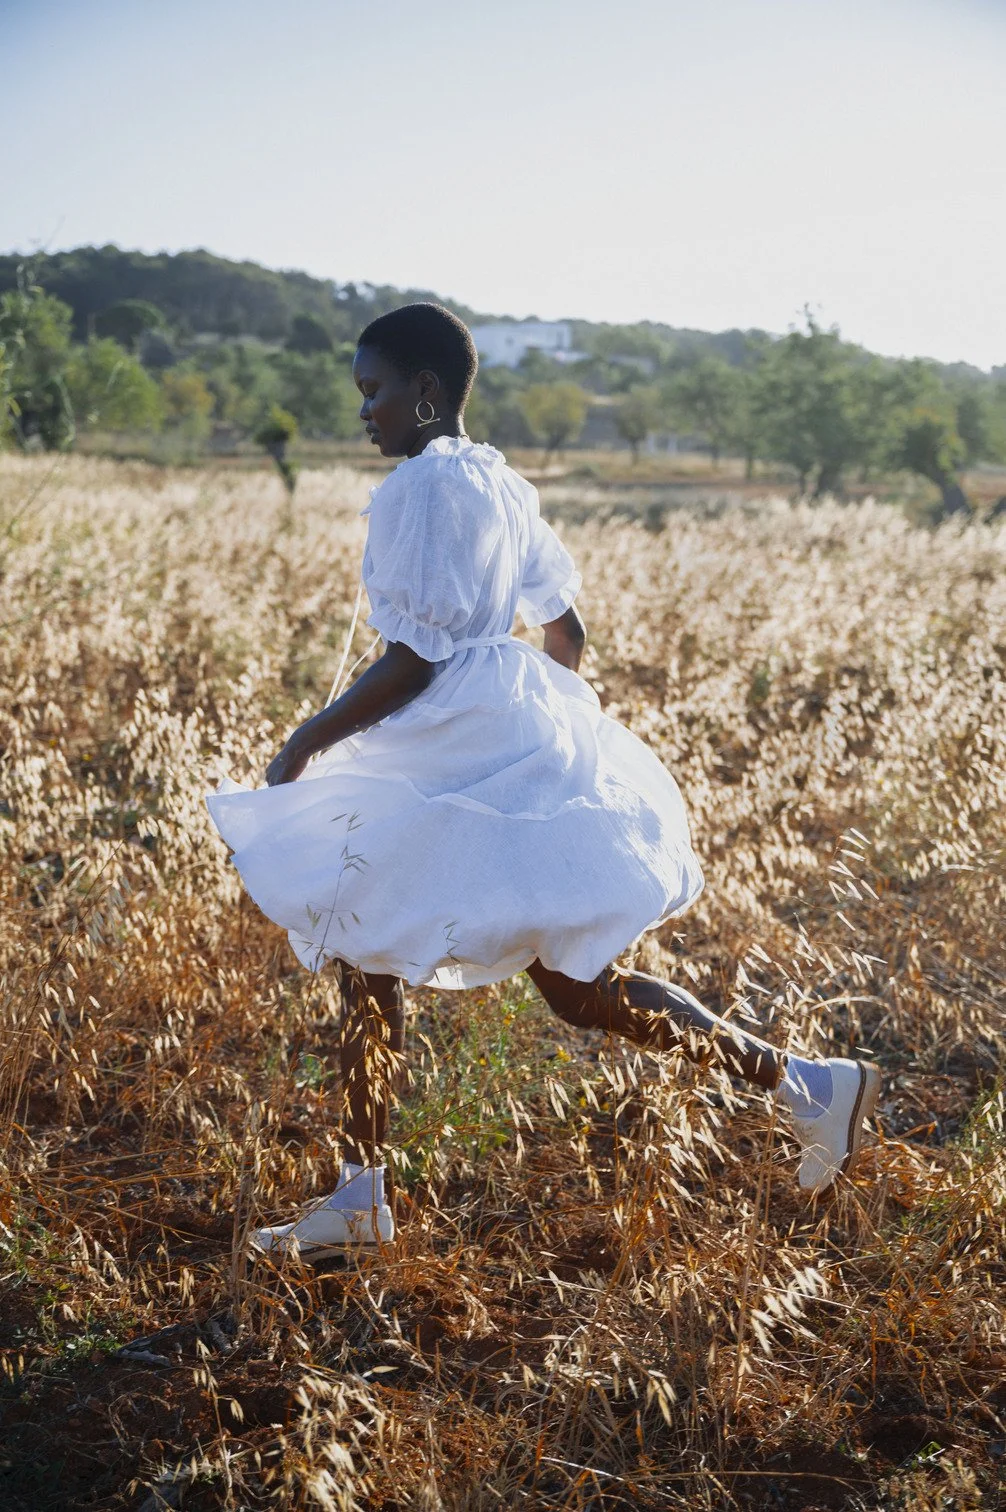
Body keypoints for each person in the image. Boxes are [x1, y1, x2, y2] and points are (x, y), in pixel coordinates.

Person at [206, 303, 879, 1261]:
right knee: (556, 983)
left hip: (450, 732)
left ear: (425, 390)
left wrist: (302, 744)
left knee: (369, 942)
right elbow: (566, 630)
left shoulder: (420, 486)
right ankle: (809, 1085)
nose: (365, 413)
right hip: (506, 724)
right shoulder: (503, 482)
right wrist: (546, 735)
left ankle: (359, 1202)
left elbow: (416, 658)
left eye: (373, 390)